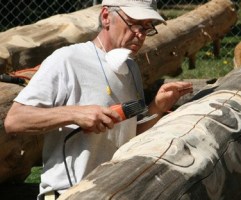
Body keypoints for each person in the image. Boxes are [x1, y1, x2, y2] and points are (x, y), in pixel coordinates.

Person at [4, 0, 193, 199]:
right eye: (135, 24)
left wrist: (157, 108)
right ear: (106, 17)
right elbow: (15, 120)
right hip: (69, 193)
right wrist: (75, 114)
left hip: (115, 191)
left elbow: (127, 136)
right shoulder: (67, 60)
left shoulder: (131, 68)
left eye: (148, 27)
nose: (141, 34)